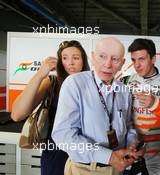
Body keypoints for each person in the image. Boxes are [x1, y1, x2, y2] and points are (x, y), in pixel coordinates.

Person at [51, 37, 144, 175]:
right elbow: (64, 135)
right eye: (102, 56)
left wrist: (132, 146)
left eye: (115, 59)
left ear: (122, 63)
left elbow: (128, 125)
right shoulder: (75, 84)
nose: (108, 64)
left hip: (118, 168)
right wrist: (109, 157)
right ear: (93, 57)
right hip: (85, 169)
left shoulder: (124, 91)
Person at [11, 40, 90, 175]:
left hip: (86, 154)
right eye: (65, 58)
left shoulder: (93, 85)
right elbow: (17, 114)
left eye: (76, 58)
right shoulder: (52, 83)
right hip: (56, 154)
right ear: (60, 62)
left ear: (83, 61)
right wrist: (41, 74)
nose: (70, 62)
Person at [120, 38, 160, 175]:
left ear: (153, 59)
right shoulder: (125, 82)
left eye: (141, 59)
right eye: (134, 60)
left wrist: (155, 104)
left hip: (156, 152)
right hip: (131, 150)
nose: (137, 65)